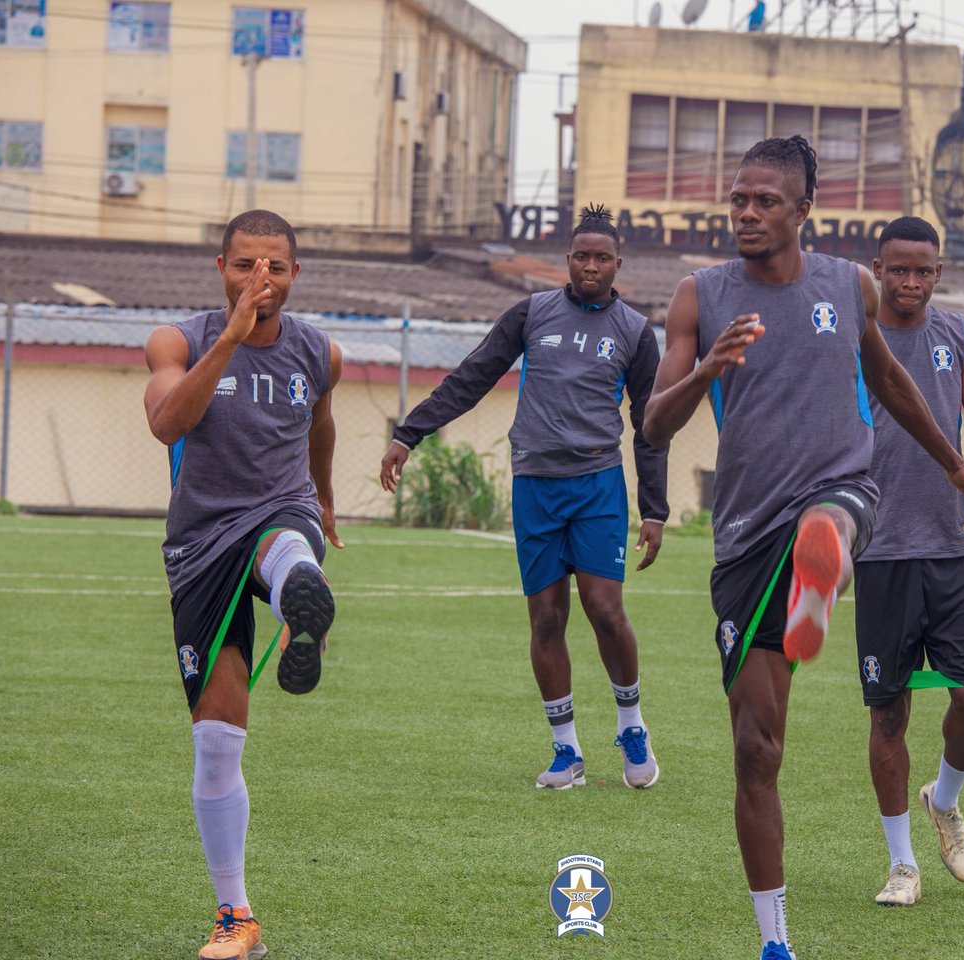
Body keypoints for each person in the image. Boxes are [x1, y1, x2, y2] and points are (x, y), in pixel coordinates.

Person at [642, 137, 964, 960]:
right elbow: (654, 424)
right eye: (739, 199)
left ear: (803, 210)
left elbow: (889, 383)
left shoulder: (848, 285)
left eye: (766, 201)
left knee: (834, 517)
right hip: (746, 536)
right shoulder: (699, 295)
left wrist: (958, 466)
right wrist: (707, 369)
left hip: (842, 491)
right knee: (755, 749)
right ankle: (775, 942)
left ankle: (827, 566)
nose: (747, 213)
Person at [380, 204, 669, 791]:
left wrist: (655, 508)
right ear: (568, 259)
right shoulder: (531, 313)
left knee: (604, 610)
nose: (590, 266)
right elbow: (473, 377)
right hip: (534, 484)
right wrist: (409, 434)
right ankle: (566, 750)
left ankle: (632, 727)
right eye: (581, 256)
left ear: (618, 264)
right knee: (546, 619)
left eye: (602, 258)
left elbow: (649, 425)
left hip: (597, 484)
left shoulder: (637, 332)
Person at [144, 209, 343, 960]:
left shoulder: (319, 352)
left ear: (296, 275)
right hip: (201, 543)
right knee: (217, 741)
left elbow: (321, 426)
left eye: (276, 268)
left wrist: (326, 498)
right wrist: (230, 337)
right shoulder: (178, 341)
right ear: (220, 269)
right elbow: (167, 422)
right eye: (245, 266)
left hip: (280, 514)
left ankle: (301, 595)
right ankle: (237, 918)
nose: (261, 280)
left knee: (286, 544)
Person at [855, 216, 964, 908]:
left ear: (938, 273)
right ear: (877, 269)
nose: (911, 281)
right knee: (889, 713)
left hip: (951, 541)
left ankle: (944, 800)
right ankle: (902, 865)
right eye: (898, 269)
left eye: (923, 271)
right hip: (880, 547)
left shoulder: (960, 333)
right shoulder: (854, 337)